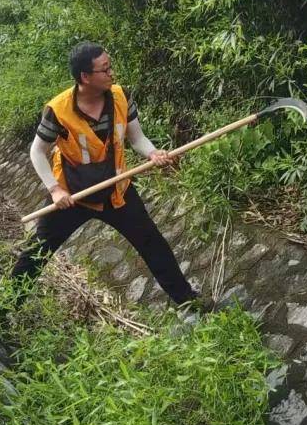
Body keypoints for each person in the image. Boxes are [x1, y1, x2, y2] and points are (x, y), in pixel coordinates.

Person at [11, 41, 202, 306]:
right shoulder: (58, 110)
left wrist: (153, 153)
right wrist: (56, 190)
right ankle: (4, 307)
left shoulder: (122, 96)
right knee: (36, 253)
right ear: (85, 77)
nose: (112, 73)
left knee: (152, 243)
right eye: (105, 69)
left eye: (110, 67)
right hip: (72, 195)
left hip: (116, 191)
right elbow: (37, 151)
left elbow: (137, 138)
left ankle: (187, 300)